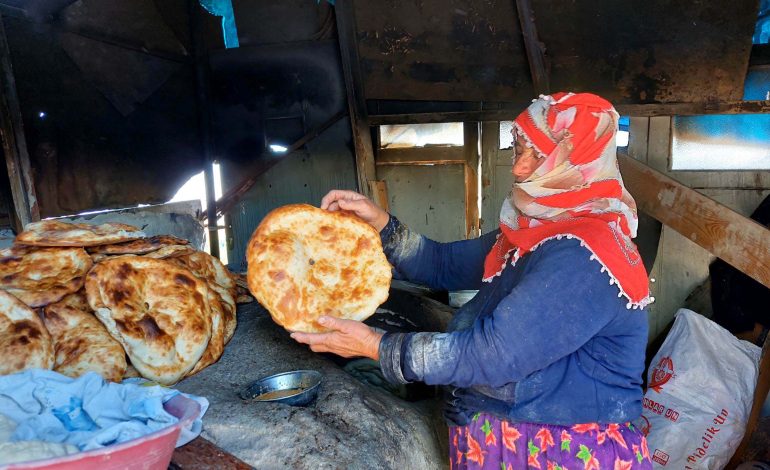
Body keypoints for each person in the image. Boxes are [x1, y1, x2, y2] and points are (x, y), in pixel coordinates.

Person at [292, 92, 654, 469]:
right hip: (507, 442)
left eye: (539, 156)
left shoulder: (586, 254)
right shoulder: (532, 233)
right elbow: (442, 263)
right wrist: (382, 225)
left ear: (580, 163)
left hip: (564, 452)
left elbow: (494, 355)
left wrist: (377, 346)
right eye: (518, 150)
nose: (519, 168)